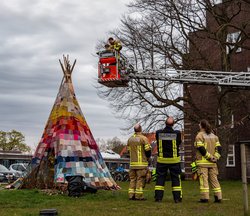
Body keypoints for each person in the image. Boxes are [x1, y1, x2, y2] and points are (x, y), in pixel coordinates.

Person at [154, 116, 182, 203]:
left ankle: (158, 198)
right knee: (175, 179)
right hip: (174, 160)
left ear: (165, 123)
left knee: (160, 179)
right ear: (173, 124)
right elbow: (179, 142)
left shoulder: (158, 133)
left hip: (162, 160)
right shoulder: (177, 133)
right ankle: (177, 198)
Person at [194, 119, 222, 203]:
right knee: (214, 180)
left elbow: (201, 149)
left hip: (203, 163)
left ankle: (204, 198)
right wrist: (215, 157)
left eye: (199, 124)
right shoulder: (214, 136)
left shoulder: (199, 136)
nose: (198, 125)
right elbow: (219, 148)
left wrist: (209, 157)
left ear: (201, 126)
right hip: (213, 163)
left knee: (204, 180)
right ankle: (218, 197)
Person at [127, 123, 151, 201]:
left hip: (132, 164)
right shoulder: (143, 138)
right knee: (140, 180)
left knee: (132, 179)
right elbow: (148, 150)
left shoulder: (130, 139)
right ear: (140, 129)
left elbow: (128, 151)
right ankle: (138, 196)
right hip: (141, 164)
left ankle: (131, 195)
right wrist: (147, 158)